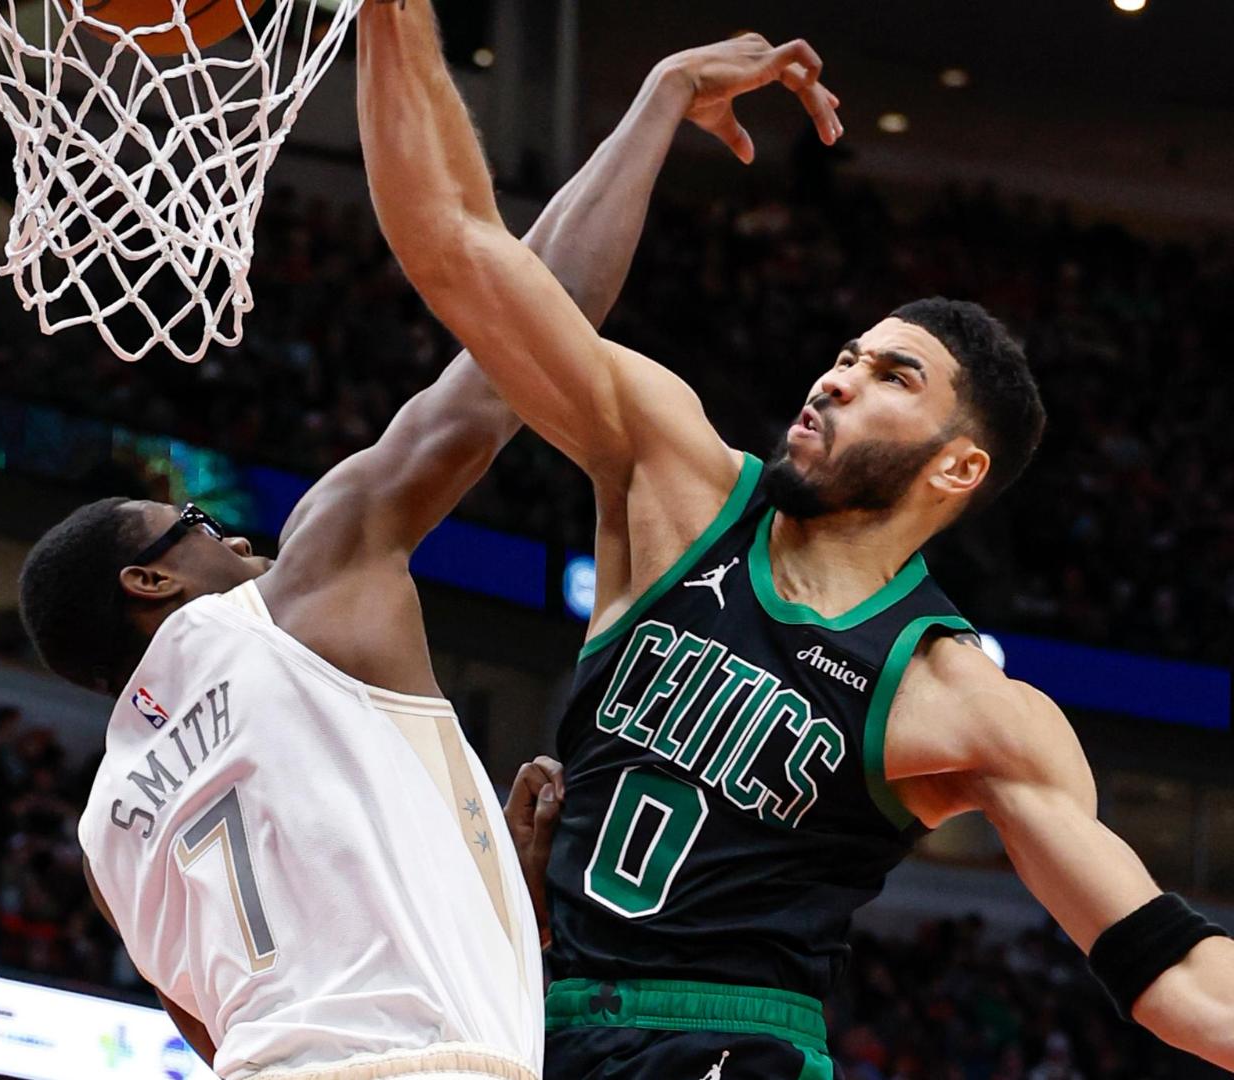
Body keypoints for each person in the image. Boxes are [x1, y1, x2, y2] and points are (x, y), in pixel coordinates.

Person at [355, 4, 1234, 1075]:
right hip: (540, 1021)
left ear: (958, 468)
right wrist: (393, 15)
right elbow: (452, 242)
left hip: (737, 1043)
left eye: (890, 379)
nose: (837, 378)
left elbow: (1173, 976)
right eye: (850, 355)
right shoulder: (677, 484)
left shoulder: (961, 702)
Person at [17, 35, 842, 1080]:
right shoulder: (298, 589)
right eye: (192, 523)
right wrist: (659, 99)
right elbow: (522, 334)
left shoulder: (106, 835)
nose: (232, 535)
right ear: (151, 581)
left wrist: (479, 868)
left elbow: (233, 1023)